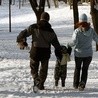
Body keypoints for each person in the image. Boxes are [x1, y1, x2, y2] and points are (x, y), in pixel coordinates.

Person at [16, 12, 62, 90]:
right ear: (48, 19)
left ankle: (36, 78)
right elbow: (56, 44)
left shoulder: (34, 27)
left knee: (34, 68)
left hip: (35, 51)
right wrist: (60, 52)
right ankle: (41, 84)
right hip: (45, 53)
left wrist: (21, 40)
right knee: (43, 70)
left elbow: (23, 33)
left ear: (41, 18)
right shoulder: (51, 31)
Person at [68, 13, 98, 91]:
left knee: (77, 68)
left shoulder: (77, 31)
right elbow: (97, 39)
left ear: (80, 21)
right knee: (85, 69)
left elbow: (74, 42)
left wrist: (68, 44)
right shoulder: (91, 31)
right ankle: (82, 84)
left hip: (79, 54)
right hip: (88, 54)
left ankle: (75, 84)